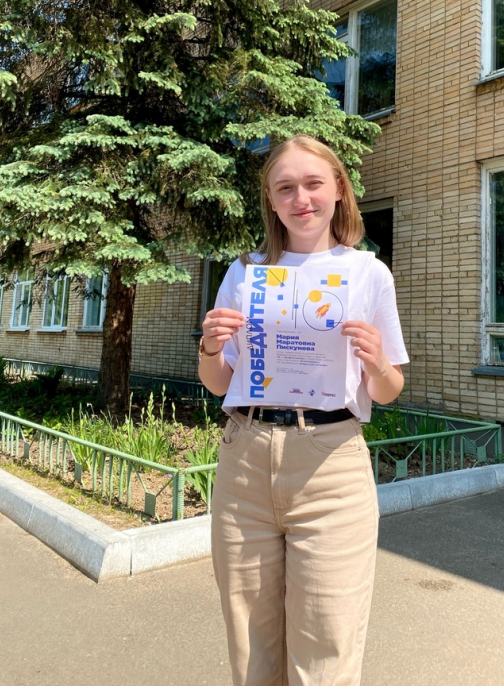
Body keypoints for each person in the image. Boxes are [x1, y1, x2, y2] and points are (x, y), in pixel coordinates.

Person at [198, 135, 409, 686]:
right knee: (251, 648)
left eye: (313, 184)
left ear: (338, 189)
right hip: (245, 459)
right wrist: (210, 348)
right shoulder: (245, 272)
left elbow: (388, 390)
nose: (301, 199)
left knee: (326, 650)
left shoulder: (368, 273)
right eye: (285, 187)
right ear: (270, 200)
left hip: (331, 465)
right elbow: (219, 382)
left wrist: (378, 362)